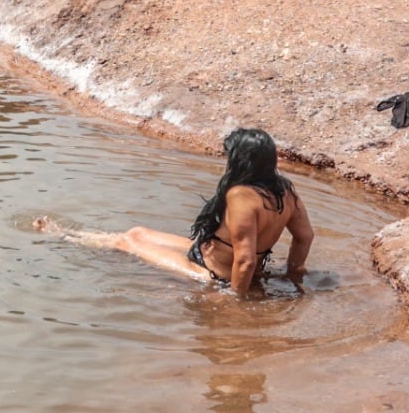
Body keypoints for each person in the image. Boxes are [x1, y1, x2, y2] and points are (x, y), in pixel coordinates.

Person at [41, 127, 314, 297]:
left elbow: (244, 261)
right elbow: (305, 237)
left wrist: (234, 297)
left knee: (128, 242)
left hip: (212, 272)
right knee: (138, 232)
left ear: (240, 160)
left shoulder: (241, 196)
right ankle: (72, 233)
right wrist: (293, 272)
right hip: (206, 253)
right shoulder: (284, 191)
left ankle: (63, 237)